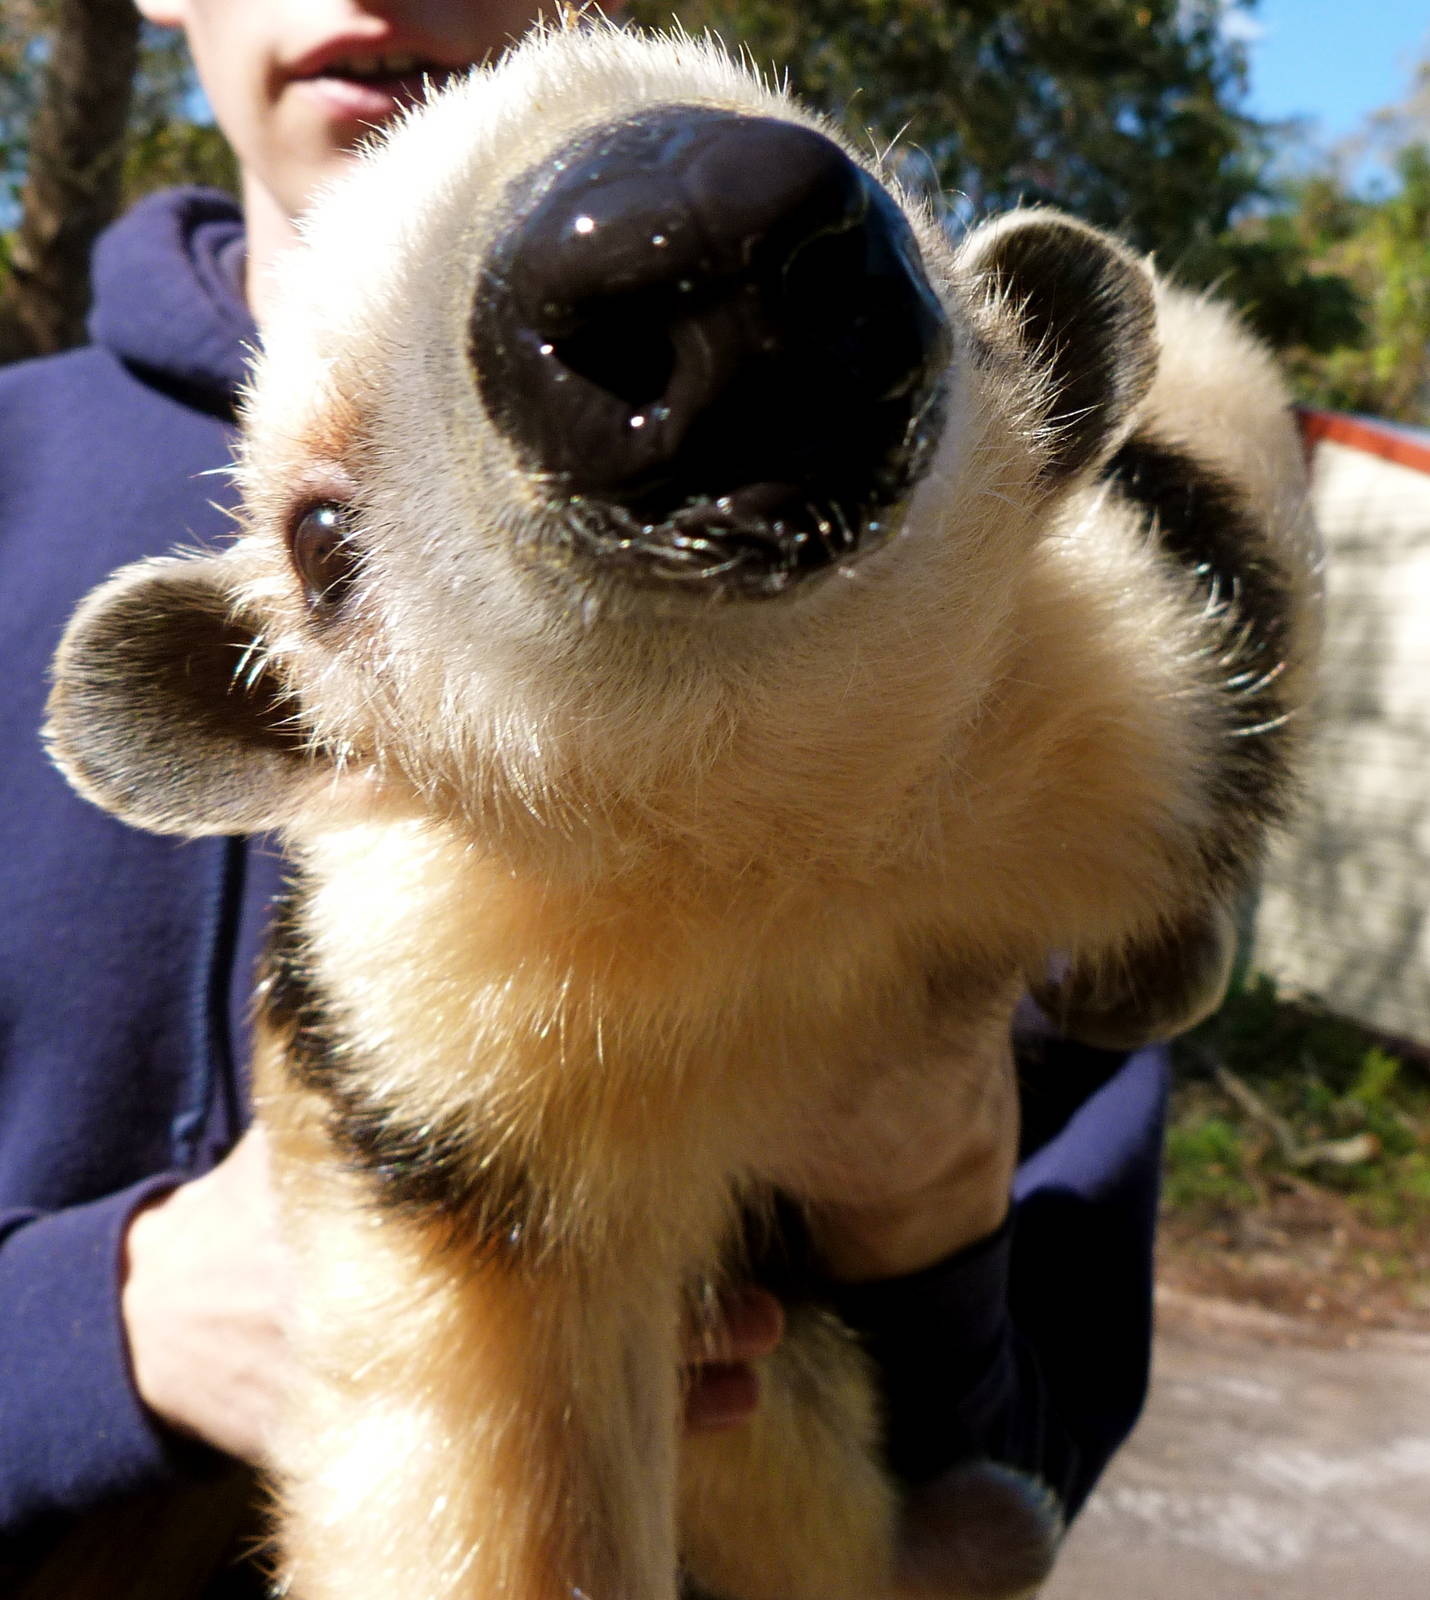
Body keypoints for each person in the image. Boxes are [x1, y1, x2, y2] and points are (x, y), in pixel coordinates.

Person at [0, 0, 1169, 1583]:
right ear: (254, 699)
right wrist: (108, 1324)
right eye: (334, 551)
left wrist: (928, 1214)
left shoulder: (1042, 663)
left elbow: (1032, 1448)